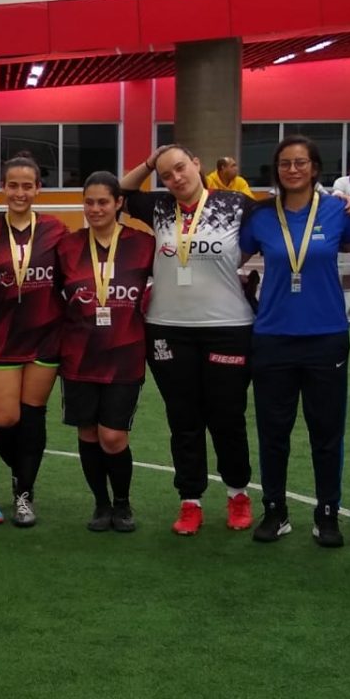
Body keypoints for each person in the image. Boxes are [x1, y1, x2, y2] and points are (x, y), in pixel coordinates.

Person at [120, 144, 256, 535]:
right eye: (167, 174)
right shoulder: (160, 207)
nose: (176, 178)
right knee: (183, 419)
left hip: (228, 327)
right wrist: (149, 161)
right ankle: (190, 500)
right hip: (167, 328)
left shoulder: (235, 203)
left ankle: (237, 493)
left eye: (180, 168)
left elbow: (282, 220)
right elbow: (121, 190)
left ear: (197, 165)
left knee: (227, 416)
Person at [240, 136, 350, 547]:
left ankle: (327, 513)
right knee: (273, 431)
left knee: (326, 431)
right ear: (276, 170)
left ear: (315, 168)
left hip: (325, 337)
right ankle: (275, 510)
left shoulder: (336, 211)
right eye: (284, 163)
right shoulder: (259, 216)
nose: (292, 170)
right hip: (273, 337)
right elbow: (229, 261)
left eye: (300, 163)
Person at [58, 172, 156, 533]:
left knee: (113, 436)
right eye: (89, 202)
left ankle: (122, 502)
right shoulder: (67, 246)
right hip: (78, 355)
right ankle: (100, 504)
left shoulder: (143, 244)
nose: (95, 209)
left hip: (126, 354)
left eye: (103, 202)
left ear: (118, 203)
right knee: (87, 433)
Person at [0, 154, 67, 527]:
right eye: (12, 185)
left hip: (46, 332)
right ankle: (24, 468)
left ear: (38, 189)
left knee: (32, 417)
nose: (19, 192)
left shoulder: (56, 229)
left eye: (27, 185)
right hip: (2, 335)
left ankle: (24, 493)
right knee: (2, 418)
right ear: (3, 187)